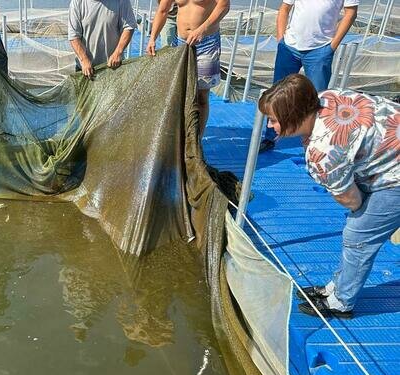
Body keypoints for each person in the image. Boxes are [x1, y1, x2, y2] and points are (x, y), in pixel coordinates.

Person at [258, 74, 399, 319]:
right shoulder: (324, 97)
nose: (270, 126)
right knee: (359, 230)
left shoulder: (322, 152)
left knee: (358, 235)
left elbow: (351, 200)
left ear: (293, 116)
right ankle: (338, 286)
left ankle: (341, 302)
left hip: (394, 175)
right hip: (389, 149)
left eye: (273, 120)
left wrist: (366, 218)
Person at [259, 0, 358, 153]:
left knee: (317, 98)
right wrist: (281, 40)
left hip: (320, 49)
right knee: (277, 94)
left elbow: (350, 13)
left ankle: (313, 145)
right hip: (289, 47)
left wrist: (332, 46)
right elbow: (285, 8)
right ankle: (270, 136)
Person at [147, 0, 230, 136]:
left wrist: (202, 29)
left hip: (207, 42)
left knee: (201, 95)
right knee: (179, 92)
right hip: (181, 43)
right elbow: (163, 10)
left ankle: (197, 139)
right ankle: (180, 135)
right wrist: (152, 38)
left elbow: (224, 6)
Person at [67, 0, 136, 79]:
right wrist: (84, 60)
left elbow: (129, 27)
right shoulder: (77, 2)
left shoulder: (121, 1)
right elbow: (74, 36)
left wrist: (118, 53)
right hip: (86, 69)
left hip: (113, 67)